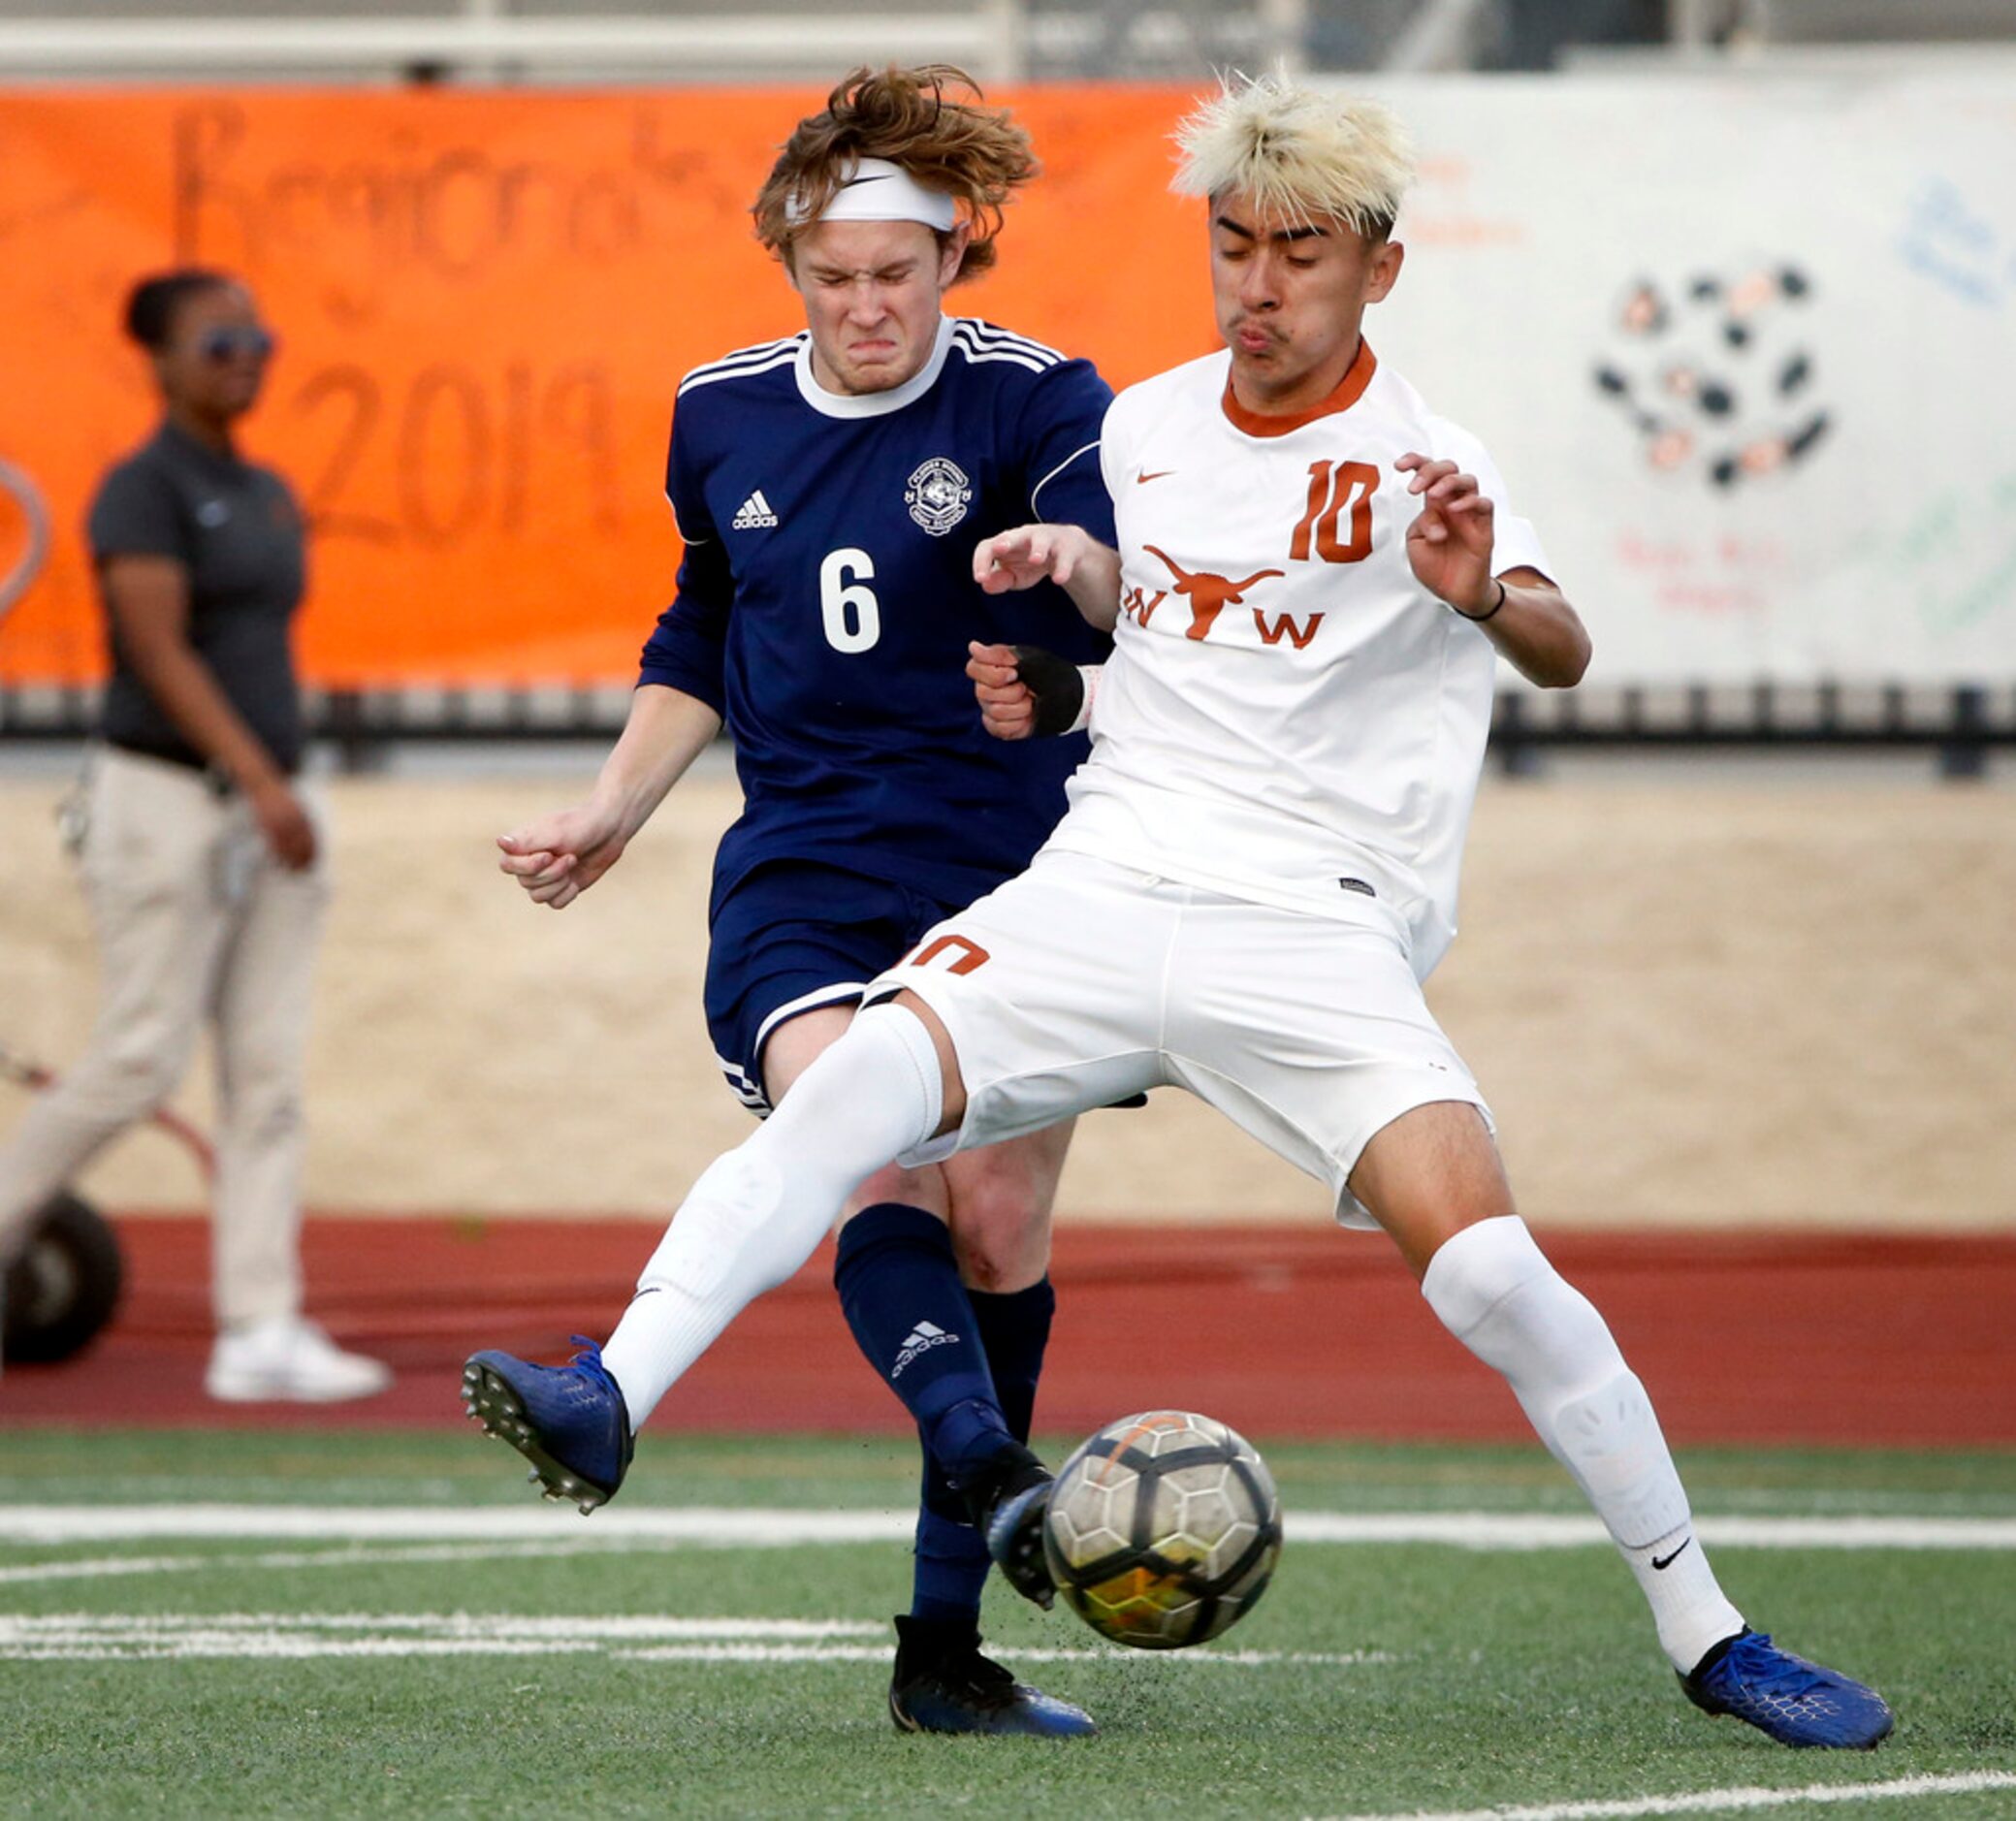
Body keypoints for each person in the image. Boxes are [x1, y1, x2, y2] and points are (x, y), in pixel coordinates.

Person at [464, 78, 1892, 1750]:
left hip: (1306, 931)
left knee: (1492, 1271)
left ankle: (1709, 1632)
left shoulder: (1422, 460)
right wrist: (1048, 678)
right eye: (1231, 247)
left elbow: (1562, 644)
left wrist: (1483, 592)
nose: (1255, 285)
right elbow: (1132, 657)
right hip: (1099, 884)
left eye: (1296, 252)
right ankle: (610, 1392)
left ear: (1377, 266)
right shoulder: (1142, 428)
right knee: (849, 1097)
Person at [483, 67, 1113, 1737]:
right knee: (855, 1131)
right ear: (790, 267)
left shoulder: (1034, 396)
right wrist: (615, 806)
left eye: (892, 275)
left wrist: (1062, 601)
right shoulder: (720, 411)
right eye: (831, 279)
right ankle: (984, 1460)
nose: (862, 310)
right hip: (807, 862)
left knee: (995, 1228)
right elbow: (702, 621)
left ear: (950, 255)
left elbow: (1118, 582)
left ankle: (942, 1653)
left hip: (1012, 862)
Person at [0, 270, 389, 1403]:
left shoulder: (262, 489)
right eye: (217, 340)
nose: (244, 355)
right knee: (137, 1056)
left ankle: (258, 1327)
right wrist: (258, 775)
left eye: (255, 336)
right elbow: (161, 651)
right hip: (171, 801)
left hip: (268, 812)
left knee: (266, 1078)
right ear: (161, 360)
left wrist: (280, 788)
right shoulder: (143, 489)